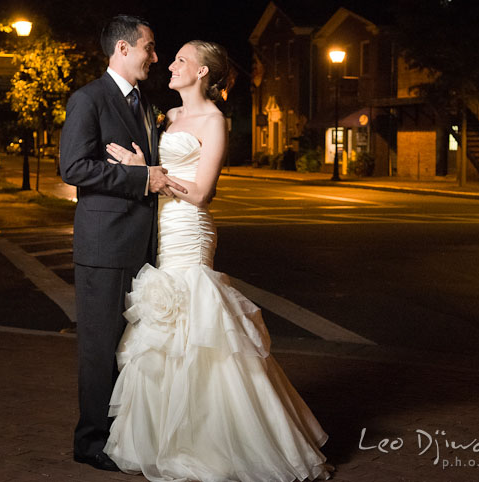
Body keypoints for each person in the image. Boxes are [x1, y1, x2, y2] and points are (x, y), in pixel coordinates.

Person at [102, 40, 332, 481]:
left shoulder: (214, 121)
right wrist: (139, 167)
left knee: (199, 321)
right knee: (165, 329)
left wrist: (153, 175)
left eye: (181, 60)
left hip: (190, 227)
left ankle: (216, 440)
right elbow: (155, 173)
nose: (170, 64)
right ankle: (165, 436)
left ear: (203, 72)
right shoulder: (166, 118)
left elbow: (204, 192)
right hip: (163, 227)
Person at [59, 15, 186, 472]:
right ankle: (91, 442)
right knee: (99, 346)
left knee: (131, 346)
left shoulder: (145, 103)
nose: (155, 57)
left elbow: (149, 167)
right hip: (104, 246)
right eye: (150, 48)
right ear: (123, 50)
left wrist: (146, 167)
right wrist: (140, 176)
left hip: (142, 244)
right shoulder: (88, 100)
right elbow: (74, 168)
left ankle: (125, 436)